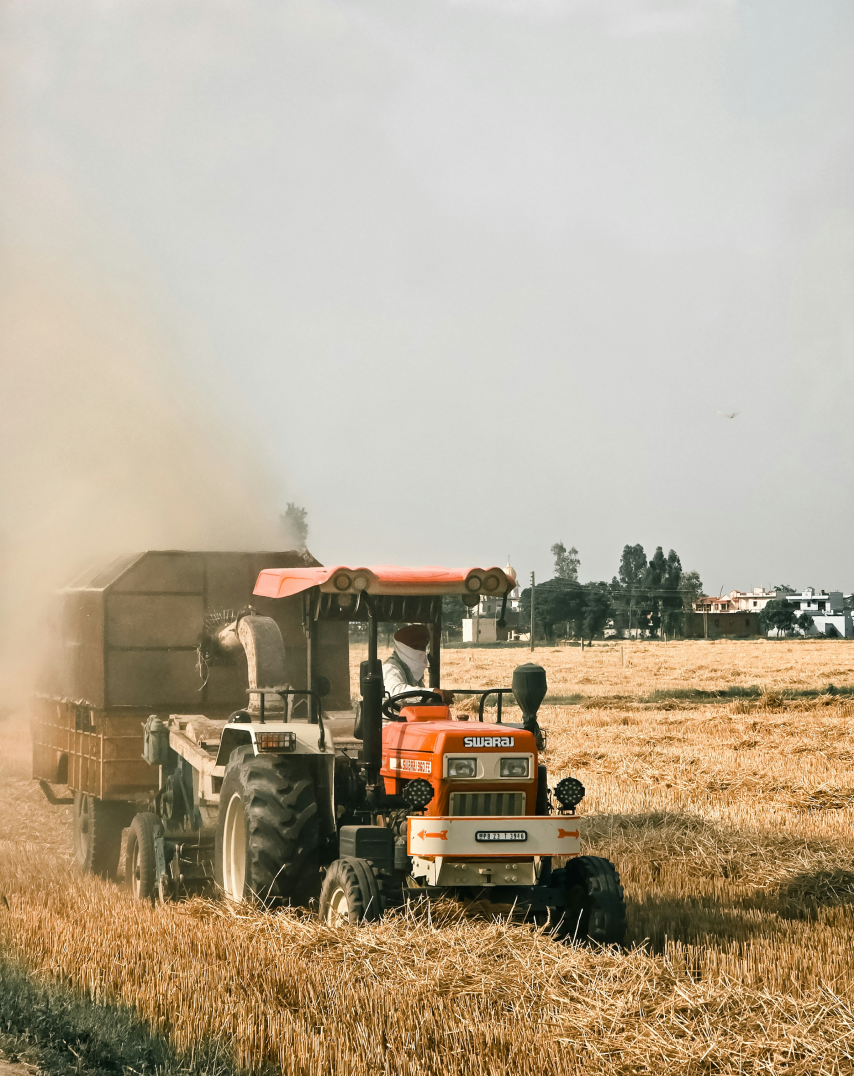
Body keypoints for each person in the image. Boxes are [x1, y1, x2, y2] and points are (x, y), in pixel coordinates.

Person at [383, 625, 452, 703]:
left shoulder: (411, 670)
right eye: (416, 647)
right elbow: (396, 691)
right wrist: (431, 692)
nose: (421, 652)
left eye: (423, 647)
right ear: (404, 648)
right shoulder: (390, 667)